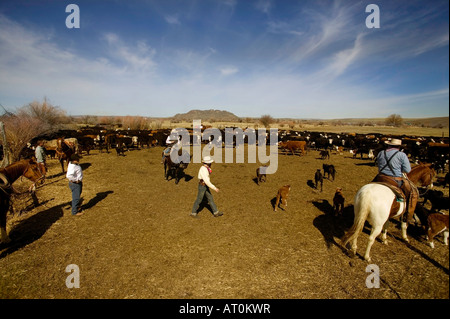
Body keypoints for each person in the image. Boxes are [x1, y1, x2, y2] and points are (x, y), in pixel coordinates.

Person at [372, 138, 417, 221]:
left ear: (388, 145)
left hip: (380, 177)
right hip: (395, 180)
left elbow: (378, 164)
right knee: (412, 193)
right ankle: (408, 214)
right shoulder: (401, 155)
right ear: (399, 147)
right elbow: (407, 170)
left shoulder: (381, 153)